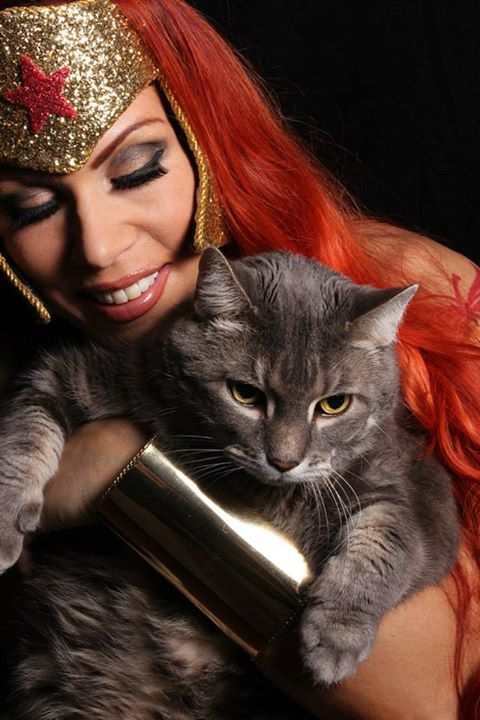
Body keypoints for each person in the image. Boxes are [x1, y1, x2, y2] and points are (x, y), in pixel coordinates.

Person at [0, 0, 479, 718]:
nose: (98, 248)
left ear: (207, 141)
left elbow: (425, 702)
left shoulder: (413, 288)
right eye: (32, 208)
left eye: (137, 170)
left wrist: (122, 468)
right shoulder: (43, 364)